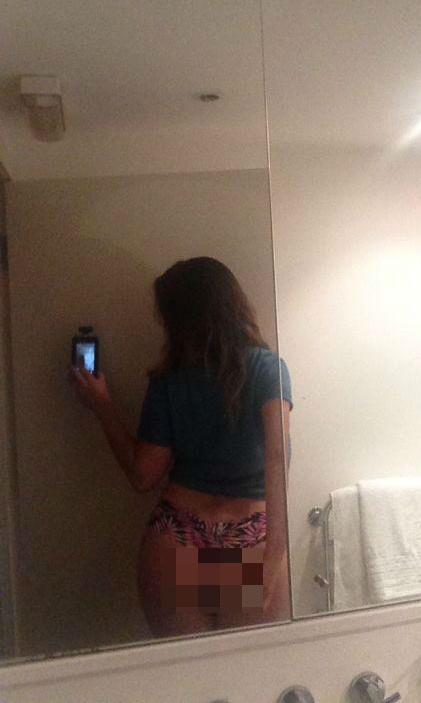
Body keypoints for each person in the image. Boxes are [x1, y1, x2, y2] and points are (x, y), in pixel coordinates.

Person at [69, 256, 292, 637]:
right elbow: (278, 455)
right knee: (245, 670)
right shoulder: (267, 368)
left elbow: (144, 475)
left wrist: (103, 407)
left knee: (188, 673)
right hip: (249, 538)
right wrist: (274, 554)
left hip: (179, 535)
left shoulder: (169, 379)